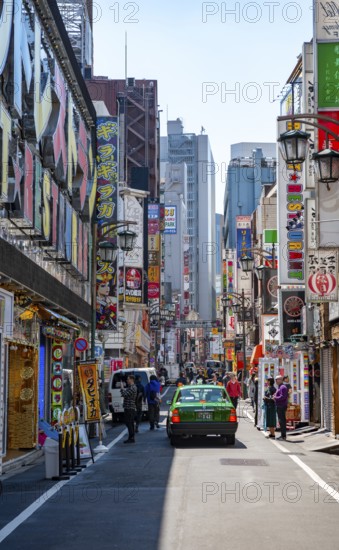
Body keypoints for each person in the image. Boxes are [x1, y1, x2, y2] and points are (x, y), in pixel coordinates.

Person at [121, 375, 137, 443]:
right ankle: (131, 437)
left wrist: (122, 388)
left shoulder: (133, 387)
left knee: (129, 423)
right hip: (128, 407)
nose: (127, 381)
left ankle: (131, 437)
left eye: (128, 379)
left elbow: (125, 394)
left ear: (132, 380)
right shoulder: (130, 387)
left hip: (130, 407)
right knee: (129, 423)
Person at [273, 375, 288, 440]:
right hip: (279, 405)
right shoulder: (280, 387)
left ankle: (283, 435)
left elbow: (283, 396)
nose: (276, 381)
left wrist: (275, 398)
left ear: (281, 380)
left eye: (277, 379)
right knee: (281, 420)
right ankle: (282, 435)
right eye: (276, 379)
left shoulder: (283, 387)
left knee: (282, 420)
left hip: (281, 405)